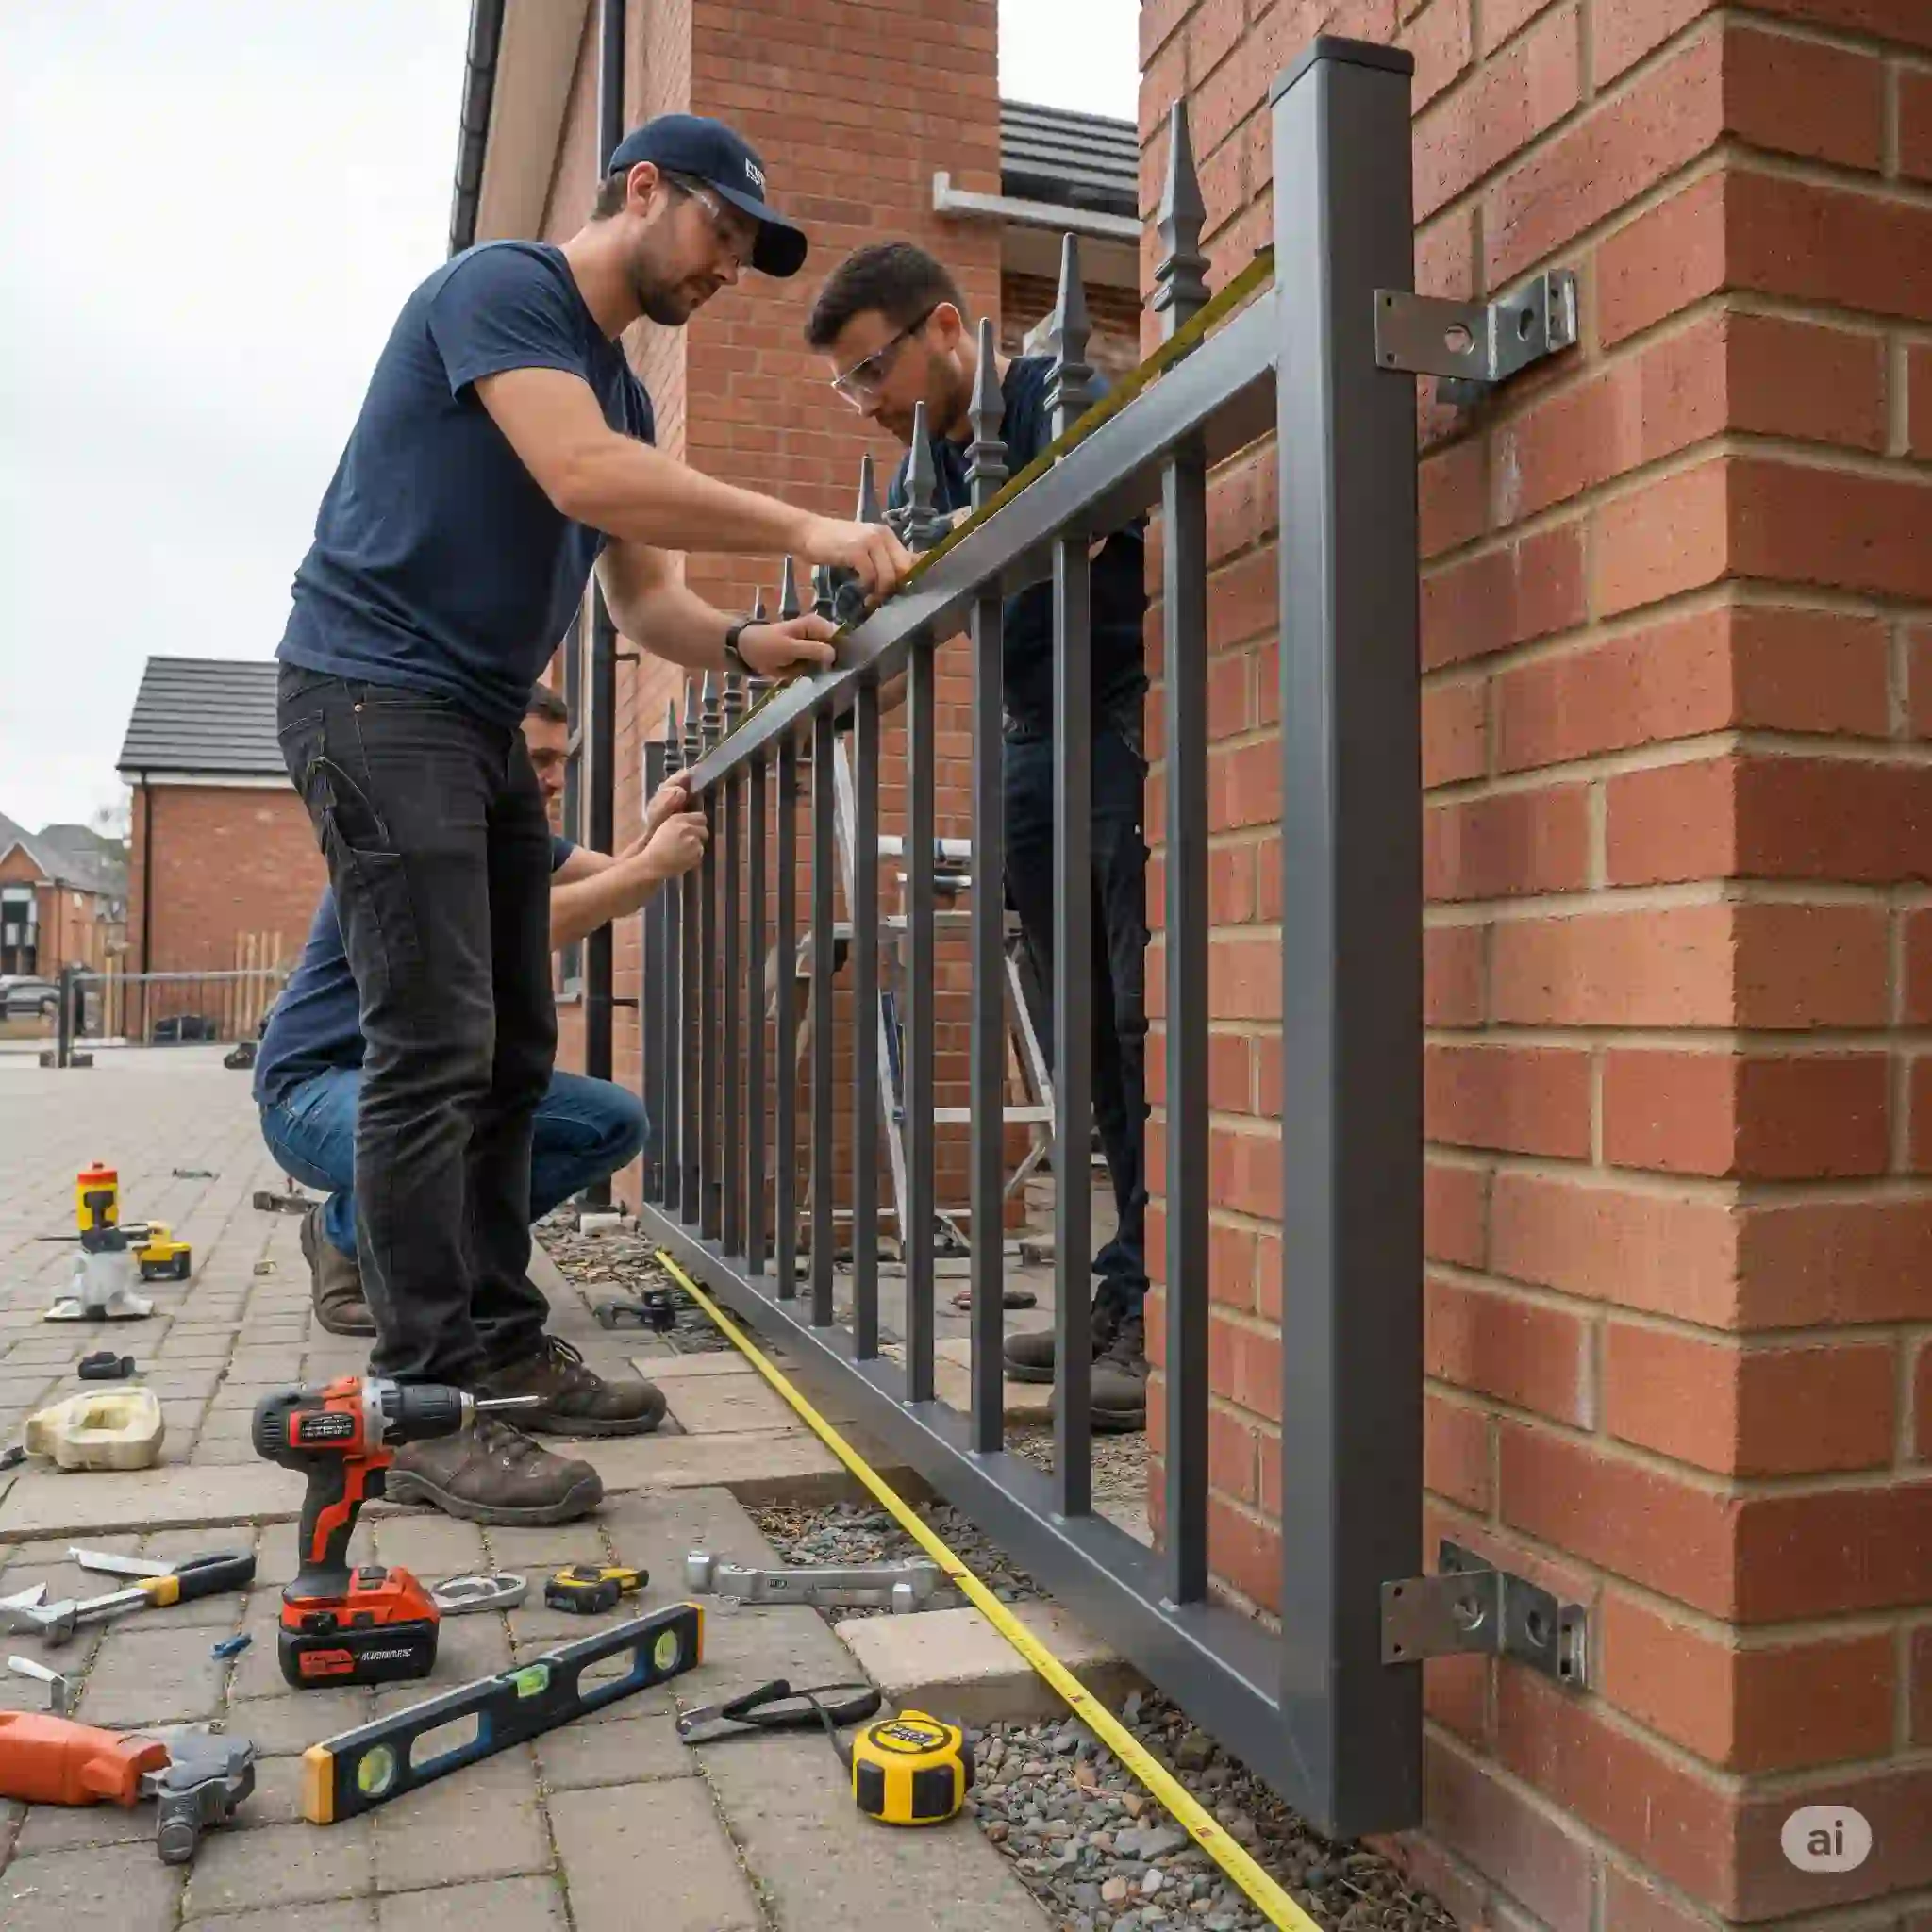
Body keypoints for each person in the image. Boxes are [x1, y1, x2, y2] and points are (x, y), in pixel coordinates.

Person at [274, 113, 913, 1526]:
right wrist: (810, 528)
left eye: (749, 250)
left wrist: (746, 647)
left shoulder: (622, 398)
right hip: (374, 696)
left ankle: (497, 1344)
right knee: (433, 1044)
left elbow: (643, 605)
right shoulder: (501, 293)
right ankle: (422, 1398)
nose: (730, 268)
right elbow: (576, 478)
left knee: (511, 1041)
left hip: (472, 719)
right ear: (643, 191)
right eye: (721, 233)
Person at [804, 242, 1151, 1433]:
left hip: (1113, 726)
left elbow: (1103, 513)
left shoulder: (1055, 390)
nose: (866, 401)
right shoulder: (929, 462)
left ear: (944, 328)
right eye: (847, 387)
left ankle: (1161, 1312)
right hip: (1024, 741)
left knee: (1131, 1016)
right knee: (1074, 1036)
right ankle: (1118, 1289)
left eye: (870, 371)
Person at [256, 685, 706, 1393]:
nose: (556, 779)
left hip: (422, 1089)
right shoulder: (420, 830)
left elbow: (613, 878)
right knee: (449, 1136)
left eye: (564, 760)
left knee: (611, 1123)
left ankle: (377, 1238)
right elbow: (519, 933)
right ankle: (358, 1244)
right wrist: (650, 866)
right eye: (541, 759)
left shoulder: (522, 840)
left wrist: (651, 839)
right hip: (313, 1090)